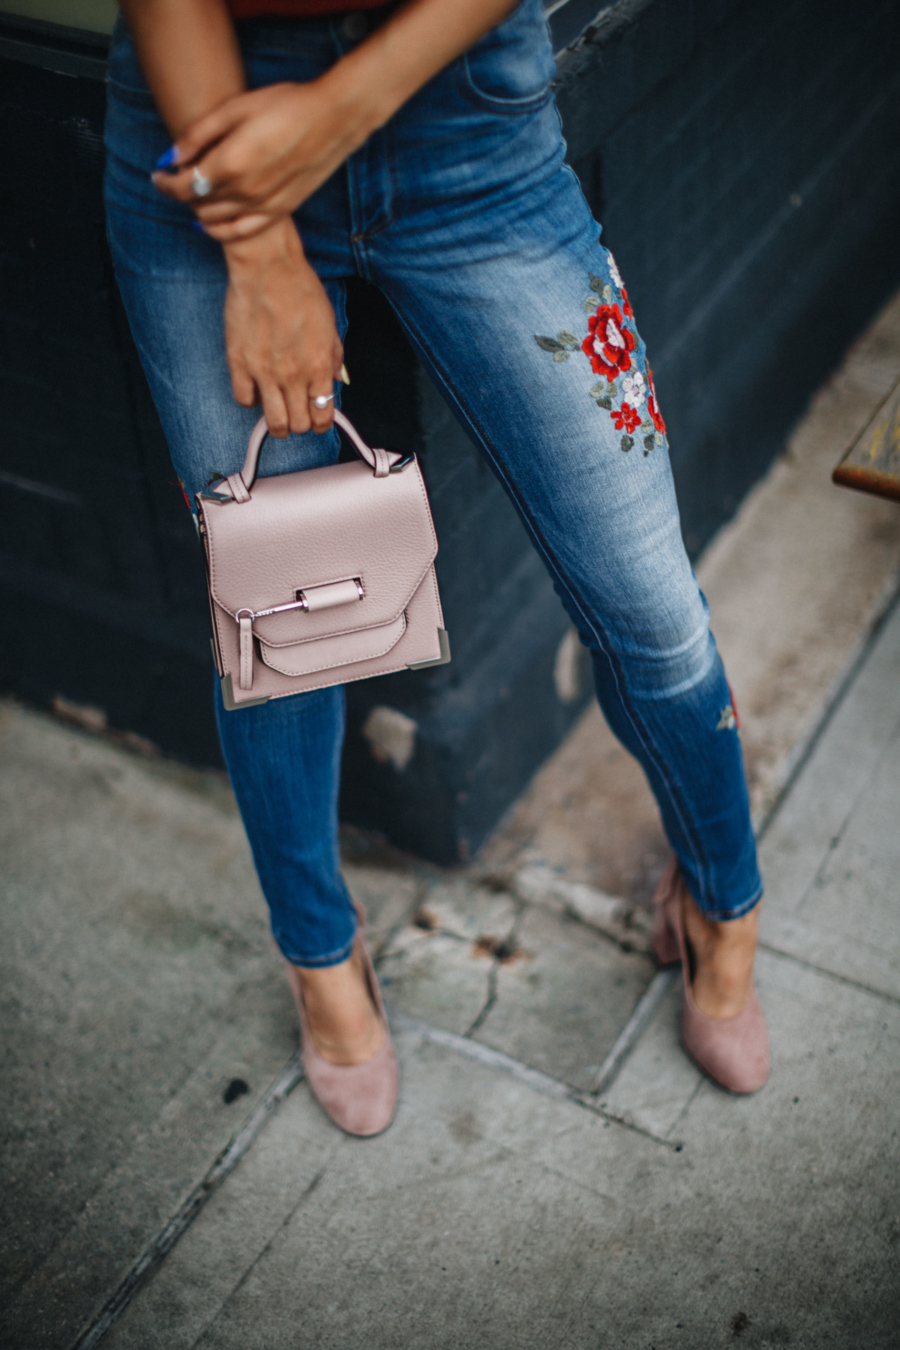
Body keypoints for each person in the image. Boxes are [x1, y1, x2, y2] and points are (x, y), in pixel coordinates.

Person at [104, 0, 769, 1137]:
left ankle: (724, 906)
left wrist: (339, 112)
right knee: (277, 621)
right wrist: (260, 242)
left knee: (645, 593)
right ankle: (320, 955)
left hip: (466, 120)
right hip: (210, 141)